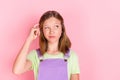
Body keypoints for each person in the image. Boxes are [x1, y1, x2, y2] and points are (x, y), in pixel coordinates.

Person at [12, 10, 80, 80]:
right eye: (47, 27)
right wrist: (29, 39)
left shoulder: (72, 56)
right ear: (42, 30)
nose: (51, 31)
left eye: (56, 26)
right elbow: (17, 70)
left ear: (62, 29)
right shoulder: (35, 55)